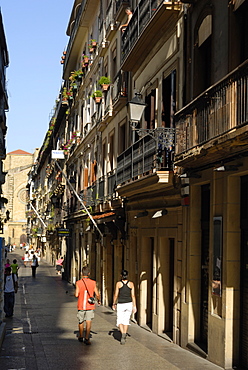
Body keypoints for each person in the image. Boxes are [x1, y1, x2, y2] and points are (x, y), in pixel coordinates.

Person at [75, 266, 101, 345]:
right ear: (89, 274)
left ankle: (80, 336)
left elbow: (76, 294)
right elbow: (97, 294)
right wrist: (98, 300)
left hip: (81, 305)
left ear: (81, 273)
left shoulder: (78, 283)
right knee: (88, 321)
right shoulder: (93, 282)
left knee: (81, 320)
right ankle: (87, 338)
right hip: (90, 305)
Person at [112, 269, 137, 345]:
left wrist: (114, 303)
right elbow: (133, 295)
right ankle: (125, 333)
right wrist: (134, 305)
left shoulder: (118, 284)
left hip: (121, 304)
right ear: (127, 275)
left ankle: (122, 333)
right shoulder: (131, 284)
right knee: (126, 320)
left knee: (119, 320)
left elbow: (116, 294)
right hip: (129, 303)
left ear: (121, 275)